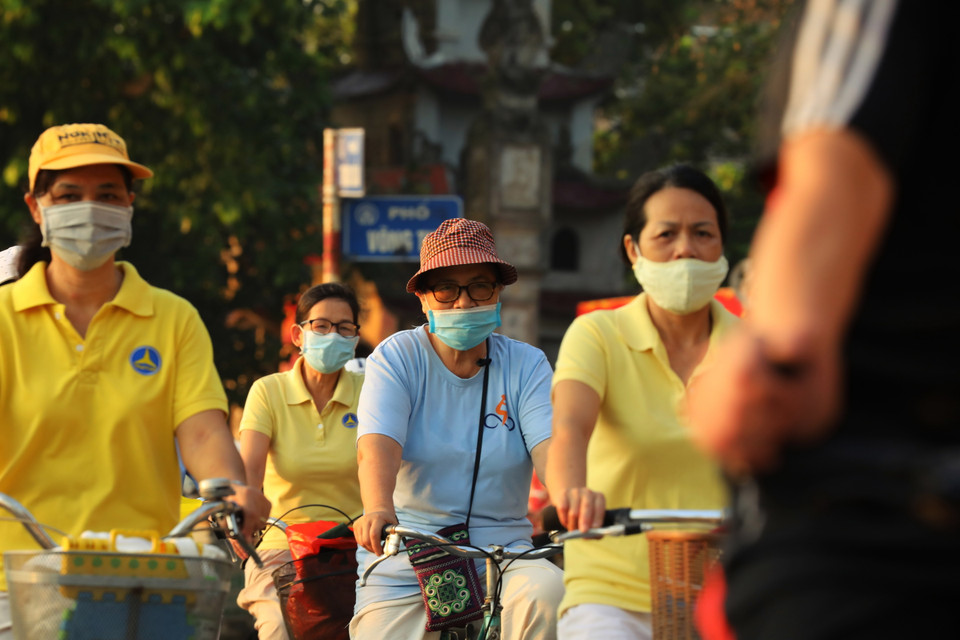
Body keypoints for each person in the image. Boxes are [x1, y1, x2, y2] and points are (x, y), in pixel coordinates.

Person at [688, 2, 960, 638]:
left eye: (702, 233)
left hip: (872, 509)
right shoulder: (597, 337)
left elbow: (832, 163)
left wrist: (785, 343)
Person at [0, 123, 271, 637]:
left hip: (145, 577)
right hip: (16, 581)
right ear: (37, 208)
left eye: (107, 194)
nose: (90, 208)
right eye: (69, 195)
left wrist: (234, 490)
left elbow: (204, 432)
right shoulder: (3, 318)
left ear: (128, 204)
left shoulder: (173, 320)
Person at [545, 164, 738, 640]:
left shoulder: (752, 346)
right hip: (609, 594)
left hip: (728, 591)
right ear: (633, 248)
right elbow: (569, 425)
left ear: (721, 246)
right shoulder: (598, 335)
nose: (686, 249)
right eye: (666, 234)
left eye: (702, 233)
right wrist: (572, 493)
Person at [350, 218, 564, 640]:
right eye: (446, 288)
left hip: (505, 555)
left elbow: (550, 447)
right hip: (409, 550)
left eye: (479, 285)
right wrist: (377, 507)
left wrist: (572, 494)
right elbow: (378, 446)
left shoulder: (528, 364)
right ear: (424, 300)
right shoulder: (396, 357)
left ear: (498, 293)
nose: (463, 302)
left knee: (551, 592)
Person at [236, 282, 365, 639]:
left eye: (344, 327)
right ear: (298, 334)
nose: (332, 334)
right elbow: (249, 477)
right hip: (281, 545)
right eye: (321, 325)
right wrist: (241, 511)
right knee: (279, 627)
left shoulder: (371, 390)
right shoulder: (268, 391)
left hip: (354, 547)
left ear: (355, 338)